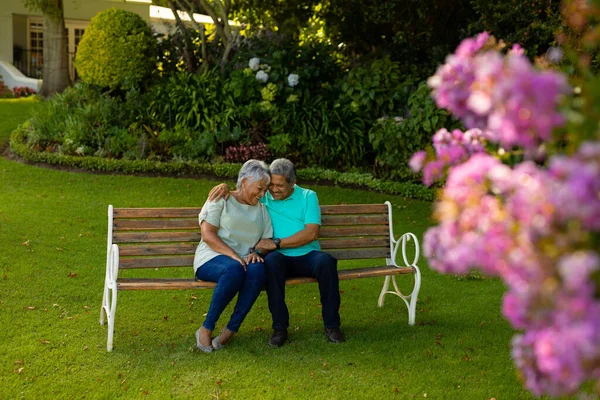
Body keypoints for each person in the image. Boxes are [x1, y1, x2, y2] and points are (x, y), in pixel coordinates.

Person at [209, 158, 345, 347]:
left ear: (293, 183)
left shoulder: (308, 197)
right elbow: (243, 191)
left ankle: (332, 326)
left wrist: (277, 243)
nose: (273, 190)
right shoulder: (264, 196)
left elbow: (312, 232)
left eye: (279, 185)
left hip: (306, 255)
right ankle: (279, 328)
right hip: (278, 258)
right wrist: (224, 186)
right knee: (271, 264)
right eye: (270, 185)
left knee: (327, 262)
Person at [193, 159, 273, 353]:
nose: (262, 194)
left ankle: (230, 329)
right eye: (260, 188)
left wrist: (256, 253)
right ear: (244, 182)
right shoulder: (221, 198)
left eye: (265, 190)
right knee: (234, 268)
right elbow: (208, 235)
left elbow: (267, 241)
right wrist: (234, 255)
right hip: (212, 258)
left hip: (243, 262)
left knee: (258, 269)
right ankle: (206, 328)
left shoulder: (262, 209)